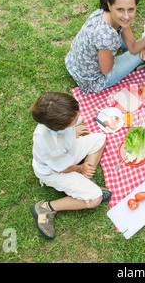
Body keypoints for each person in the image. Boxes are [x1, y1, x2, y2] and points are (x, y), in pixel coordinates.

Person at [30, 92, 110, 239]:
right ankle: (46, 208)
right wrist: (80, 168)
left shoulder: (56, 118)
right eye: (74, 117)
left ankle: (85, 181)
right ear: (60, 127)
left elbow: (70, 123)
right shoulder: (51, 145)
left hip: (67, 154)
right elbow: (62, 168)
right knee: (95, 199)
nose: (78, 115)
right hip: (55, 172)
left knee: (100, 138)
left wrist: (72, 131)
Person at [65, 0, 145, 94]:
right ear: (109, 5)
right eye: (120, 9)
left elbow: (133, 47)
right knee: (144, 51)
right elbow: (106, 70)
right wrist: (112, 50)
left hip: (73, 64)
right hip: (93, 81)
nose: (126, 16)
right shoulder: (107, 37)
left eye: (131, 9)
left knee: (141, 47)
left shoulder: (103, 13)